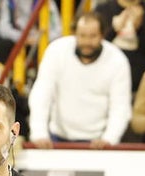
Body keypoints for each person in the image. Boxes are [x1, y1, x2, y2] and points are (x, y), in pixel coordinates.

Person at [27, 12, 132, 147]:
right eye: (82, 35)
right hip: (57, 138)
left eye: (93, 36)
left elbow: (120, 106)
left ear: (102, 35)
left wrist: (109, 139)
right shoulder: (56, 51)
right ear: (74, 33)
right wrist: (39, 133)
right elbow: (41, 94)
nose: (87, 42)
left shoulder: (118, 60)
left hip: (97, 142)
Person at [94, 0, 145, 93]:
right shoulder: (103, 9)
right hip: (105, 73)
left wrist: (138, 28)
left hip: (136, 76)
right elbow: (95, 44)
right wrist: (114, 29)